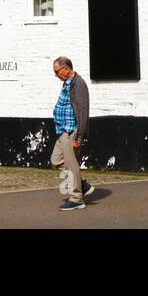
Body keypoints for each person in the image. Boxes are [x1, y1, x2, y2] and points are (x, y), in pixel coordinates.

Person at [51, 56, 94, 210]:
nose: (56, 75)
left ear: (66, 69)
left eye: (57, 72)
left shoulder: (79, 84)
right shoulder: (67, 83)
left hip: (72, 131)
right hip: (63, 129)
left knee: (71, 164)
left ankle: (77, 198)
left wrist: (79, 136)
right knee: (56, 160)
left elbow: (83, 112)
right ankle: (82, 184)